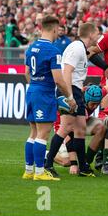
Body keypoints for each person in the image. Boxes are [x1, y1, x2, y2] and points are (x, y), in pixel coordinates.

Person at [23, 15, 76, 181]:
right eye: (58, 29)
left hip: (31, 91)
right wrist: (69, 97)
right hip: (44, 93)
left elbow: (26, 73)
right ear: (54, 29)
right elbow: (59, 79)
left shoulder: (31, 47)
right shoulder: (53, 50)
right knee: (43, 134)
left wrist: (36, 86)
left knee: (33, 132)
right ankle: (39, 172)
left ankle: (29, 171)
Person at [45, 23, 100, 178]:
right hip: (69, 90)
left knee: (81, 128)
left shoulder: (81, 48)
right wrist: (69, 96)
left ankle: (82, 166)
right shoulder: (76, 47)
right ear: (90, 34)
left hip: (76, 90)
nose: (98, 37)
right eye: (97, 33)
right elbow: (67, 71)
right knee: (66, 127)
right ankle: (47, 164)